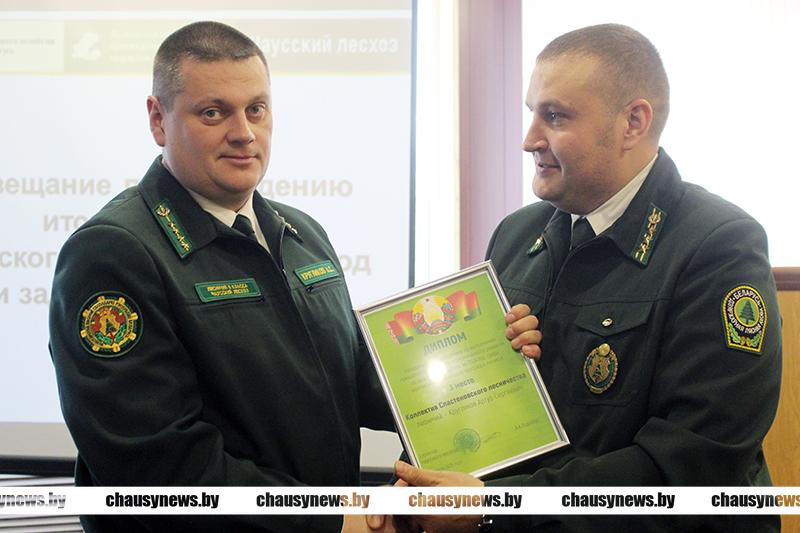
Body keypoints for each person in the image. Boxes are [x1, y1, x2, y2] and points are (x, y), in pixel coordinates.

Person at [47, 21, 540, 533]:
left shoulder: (301, 234)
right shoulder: (114, 252)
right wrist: (335, 522)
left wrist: (491, 358)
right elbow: (157, 468)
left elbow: (354, 378)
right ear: (158, 119)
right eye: (213, 112)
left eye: (256, 109)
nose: (243, 132)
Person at [392, 23, 782, 532]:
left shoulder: (718, 246)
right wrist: (427, 480)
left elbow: (693, 466)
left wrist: (497, 509)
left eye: (555, 116)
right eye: (531, 112)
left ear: (633, 123)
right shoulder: (517, 235)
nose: (529, 139)